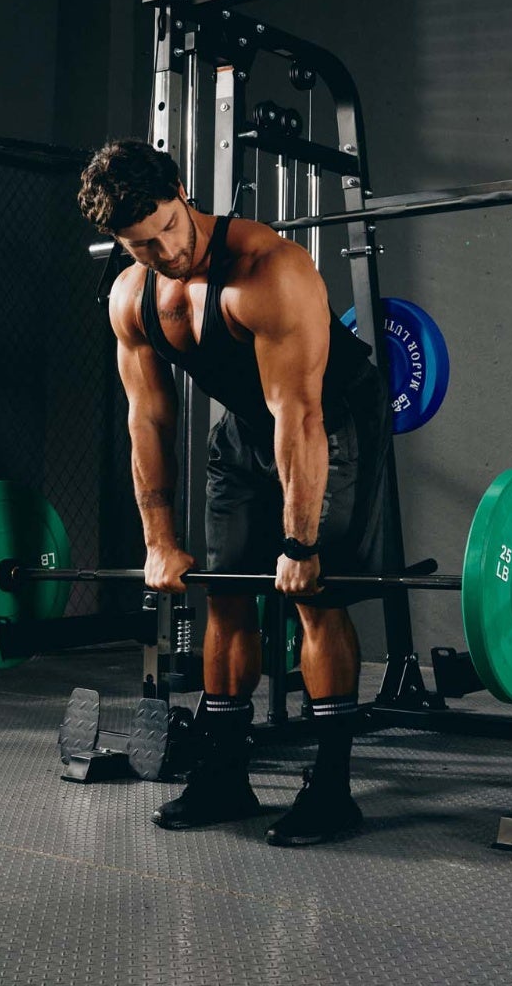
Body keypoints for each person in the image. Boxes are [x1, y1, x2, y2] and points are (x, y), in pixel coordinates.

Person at [79, 138, 389, 846]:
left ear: (183, 191)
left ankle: (333, 784)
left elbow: (300, 416)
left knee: (312, 595)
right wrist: (159, 541)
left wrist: (299, 543)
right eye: (140, 245)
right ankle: (224, 770)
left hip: (329, 417)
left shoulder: (267, 270)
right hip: (248, 429)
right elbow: (149, 421)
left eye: (167, 228)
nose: (164, 251)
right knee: (224, 593)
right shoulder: (132, 298)